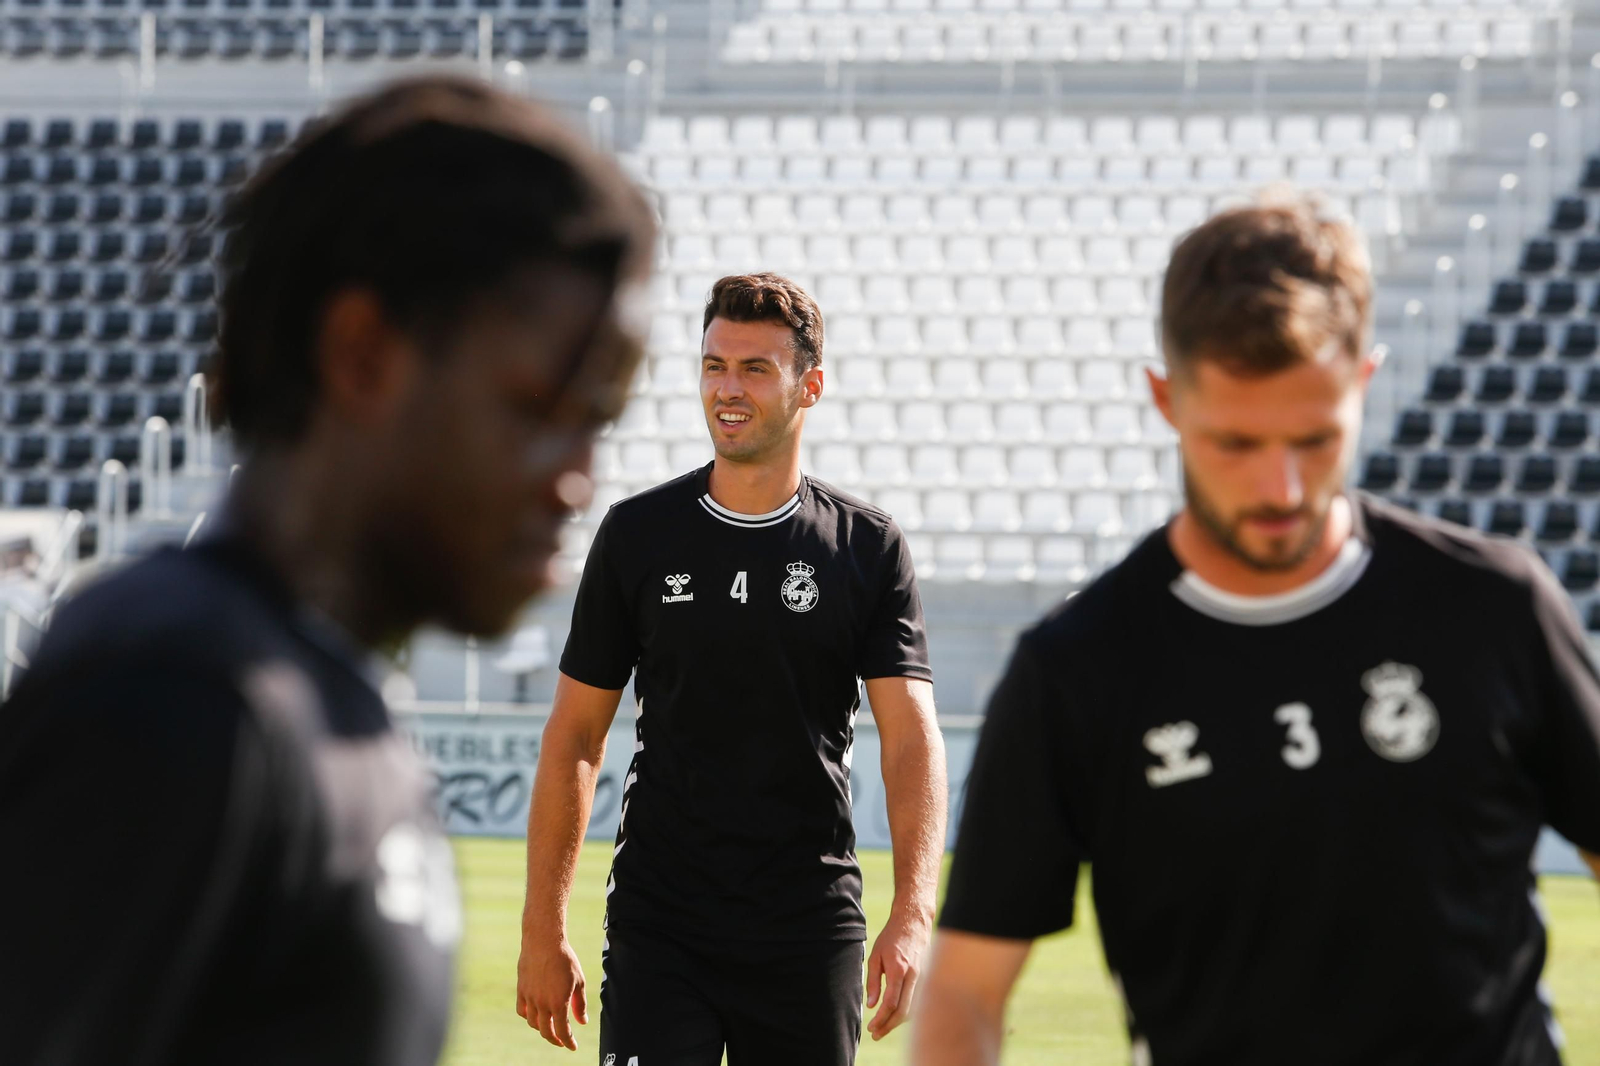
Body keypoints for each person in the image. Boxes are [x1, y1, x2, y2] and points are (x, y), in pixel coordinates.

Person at [0, 75, 654, 1066]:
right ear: (362, 355)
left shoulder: (321, 697)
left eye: (595, 425)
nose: (576, 480)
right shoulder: (176, 698)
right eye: (536, 409)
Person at [913, 197, 1600, 1065]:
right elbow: (968, 991)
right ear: (1166, 399)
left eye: (1314, 440)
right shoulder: (1078, 670)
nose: (1279, 488)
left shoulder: (1496, 605)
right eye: (1234, 443)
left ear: (1364, 382)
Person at [517, 272, 947, 1064]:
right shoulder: (637, 535)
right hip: (661, 922)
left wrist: (912, 913)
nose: (728, 388)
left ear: (808, 386)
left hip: (808, 928)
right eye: (715, 365)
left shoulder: (866, 547)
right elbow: (576, 733)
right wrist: (542, 926)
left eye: (756, 368)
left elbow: (911, 739)